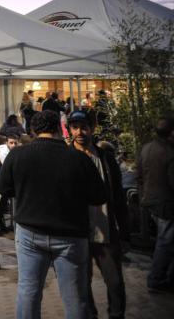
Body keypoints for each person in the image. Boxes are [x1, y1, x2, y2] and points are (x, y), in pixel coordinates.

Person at [0, 110, 106, 319]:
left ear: (33, 130)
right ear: (59, 128)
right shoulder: (78, 158)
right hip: (71, 234)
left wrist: (25, 192)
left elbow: (4, 188)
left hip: (29, 231)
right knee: (75, 297)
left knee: (28, 292)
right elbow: (98, 196)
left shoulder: (18, 155)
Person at [68, 112, 128, 318]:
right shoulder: (66, 158)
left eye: (83, 127)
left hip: (106, 230)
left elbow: (119, 196)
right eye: (75, 127)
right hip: (78, 232)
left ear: (92, 127)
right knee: (82, 283)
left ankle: (116, 315)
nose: (79, 132)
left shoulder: (105, 158)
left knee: (115, 283)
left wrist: (124, 230)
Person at [138, 115, 174, 293]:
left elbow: (139, 174)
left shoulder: (146, 148)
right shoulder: (170, 153)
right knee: (165, 241)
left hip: (149, 200)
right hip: (165, 203)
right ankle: (157, 277)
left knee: (165, 239)